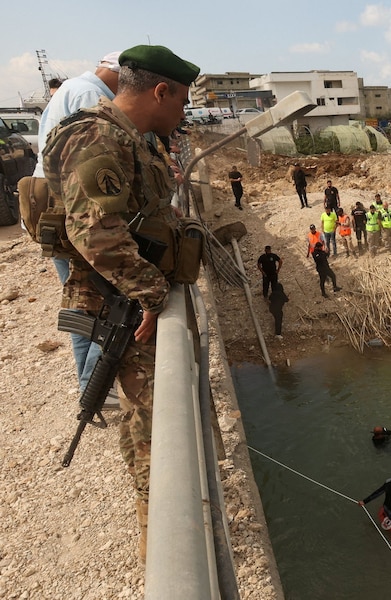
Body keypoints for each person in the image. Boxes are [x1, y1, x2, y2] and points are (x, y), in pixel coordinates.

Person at [42, 43, 200, 560]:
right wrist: (152, 294)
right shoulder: (96, 136)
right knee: (156, 428)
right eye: (182, 101)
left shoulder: (133, 139)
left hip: (127, 302)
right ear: (160, 91)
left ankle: (158, 531)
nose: (184, 112)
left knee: (147, 421)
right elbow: (96, 234)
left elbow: (142, 210)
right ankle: (164, 547)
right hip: (122, 308)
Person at [22, 50, 121, 393]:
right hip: (74, 213)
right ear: (117, 74)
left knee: (83, 307)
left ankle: (87, 385)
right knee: (104, 306)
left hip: (53, 211)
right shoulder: (91, 96)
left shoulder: (71, 89)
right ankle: (94, 386)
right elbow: (93, 169)